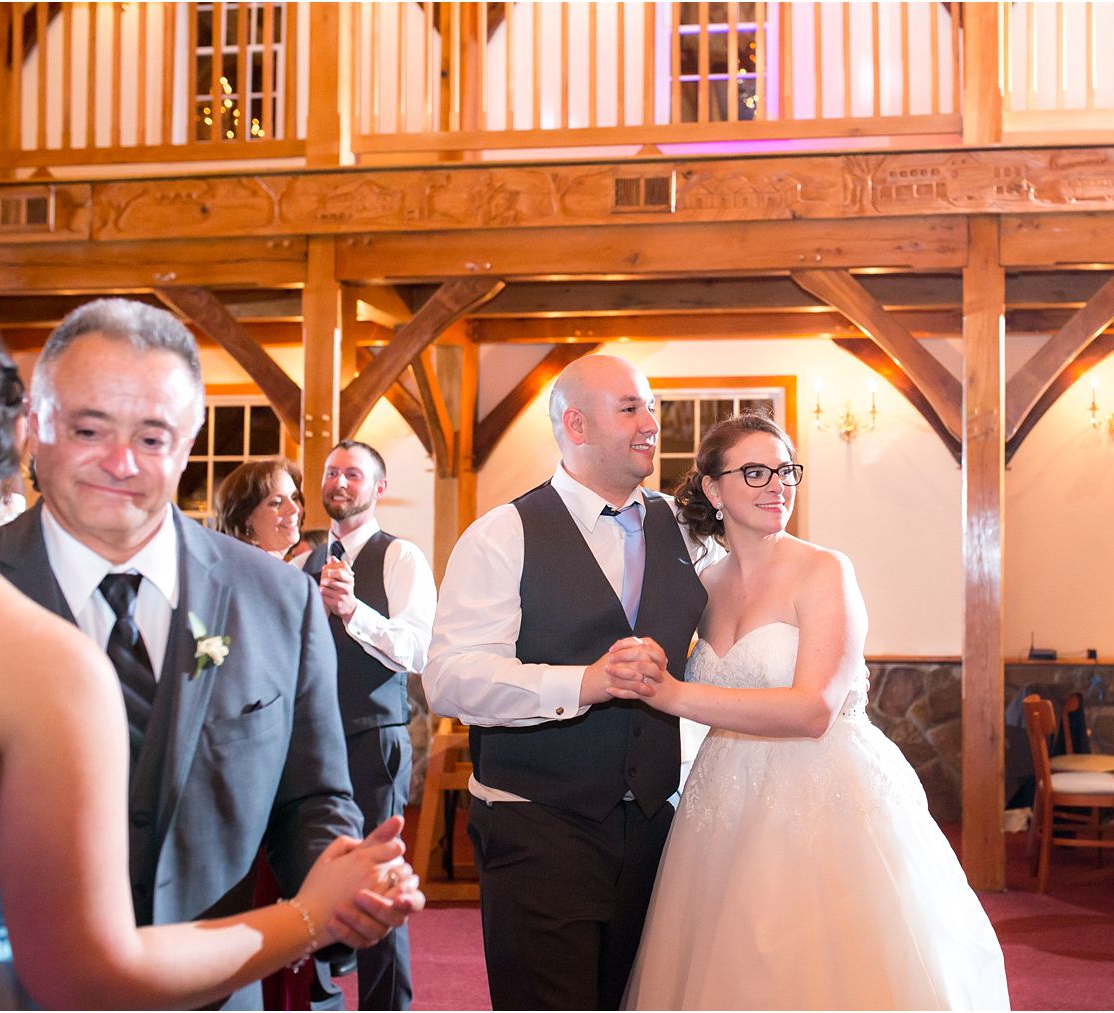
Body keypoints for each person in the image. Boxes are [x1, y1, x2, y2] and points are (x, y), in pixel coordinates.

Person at [0, 316, 423, 1010]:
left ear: (187, 444)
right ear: (36, 426)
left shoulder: (278, 598)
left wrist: (341, 890)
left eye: (151, 438)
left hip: (222, 991)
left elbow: (311, 796)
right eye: (90, 430)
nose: (120, 461)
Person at [608, 412, 1010, 1010]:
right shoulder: (703, 585)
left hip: (823, 793)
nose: (778, 485)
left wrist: (670, 693)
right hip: (723, 804)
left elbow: (813, 709)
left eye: (786, 470)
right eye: (755, 472)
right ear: (714, 491)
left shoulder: (824, 570)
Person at [424, 355, 707, 1011]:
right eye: (631, 407)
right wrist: (583, 681)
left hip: (653, 833)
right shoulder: (503, 535)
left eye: (652, 408)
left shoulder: (683, 530)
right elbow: (450, 678)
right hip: (537, 828)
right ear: (574, 423)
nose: (651, 425)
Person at [299, 440, 437, 1011]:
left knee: (379, 876)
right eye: (332, 472)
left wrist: (356, 611)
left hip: (371, 734)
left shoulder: (399, 557)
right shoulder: (302, 559)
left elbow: (418, 650)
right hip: (307, 739)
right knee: (304, 868)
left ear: (378, 488)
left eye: (353, 474)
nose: (339, 482)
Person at [214, 456, 304, 559]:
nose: (295, 509)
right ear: (246, 518)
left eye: (295, 498)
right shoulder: (246, 571)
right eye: (276, 503)